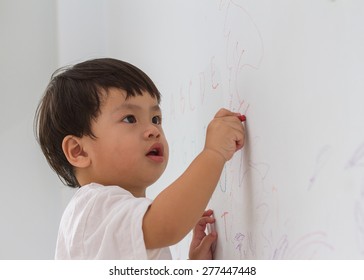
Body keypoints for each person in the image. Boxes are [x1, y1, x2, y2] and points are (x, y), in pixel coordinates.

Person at [35, 58, 245, 259]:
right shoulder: (93, 207)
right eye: (130, 119)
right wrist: (213, 153)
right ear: (78, 151)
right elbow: (168, 224)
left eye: (156, 119)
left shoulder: (116, 219)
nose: (153, 130)